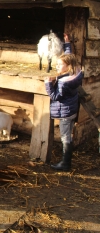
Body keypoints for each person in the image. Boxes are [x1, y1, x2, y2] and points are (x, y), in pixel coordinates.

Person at [45, 34, 83, 171]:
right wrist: (67, 44)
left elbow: (55, 96)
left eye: (60, 65)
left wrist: (48, 83)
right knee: (68, 135)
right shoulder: (76, 72)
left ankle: (65, 163)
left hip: (65, 112)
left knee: (65, 137)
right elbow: (69, 56)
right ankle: (66, 161)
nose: (57, 66)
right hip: (72, 109)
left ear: (67, 67)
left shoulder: (63, 82)